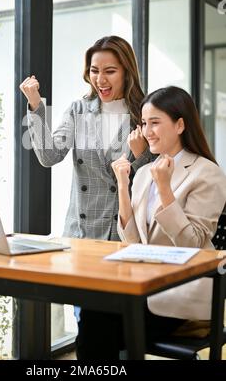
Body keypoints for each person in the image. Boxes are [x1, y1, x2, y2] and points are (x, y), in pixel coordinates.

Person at [76, 85, 226, 360]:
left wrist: (165, 188)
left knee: (98, 324)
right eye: (144, 123)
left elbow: (192, 244)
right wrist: (123, 185)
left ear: (180, 124)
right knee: (93, 310)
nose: (147, 131)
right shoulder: (144, 172)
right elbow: (131, 242)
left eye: (155, 123)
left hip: (182, 295)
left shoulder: (208, 173)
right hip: (143, 287)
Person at [19, 35, 153, 241]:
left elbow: (154, 178)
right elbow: (49, 156)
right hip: (79, 234)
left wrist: (142, 154)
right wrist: (36, 105)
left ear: (127, 72)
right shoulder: (78, 110)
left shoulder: (144, 113)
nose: (100, 79)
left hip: (123, 235)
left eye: (110, 71)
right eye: (94, 70)